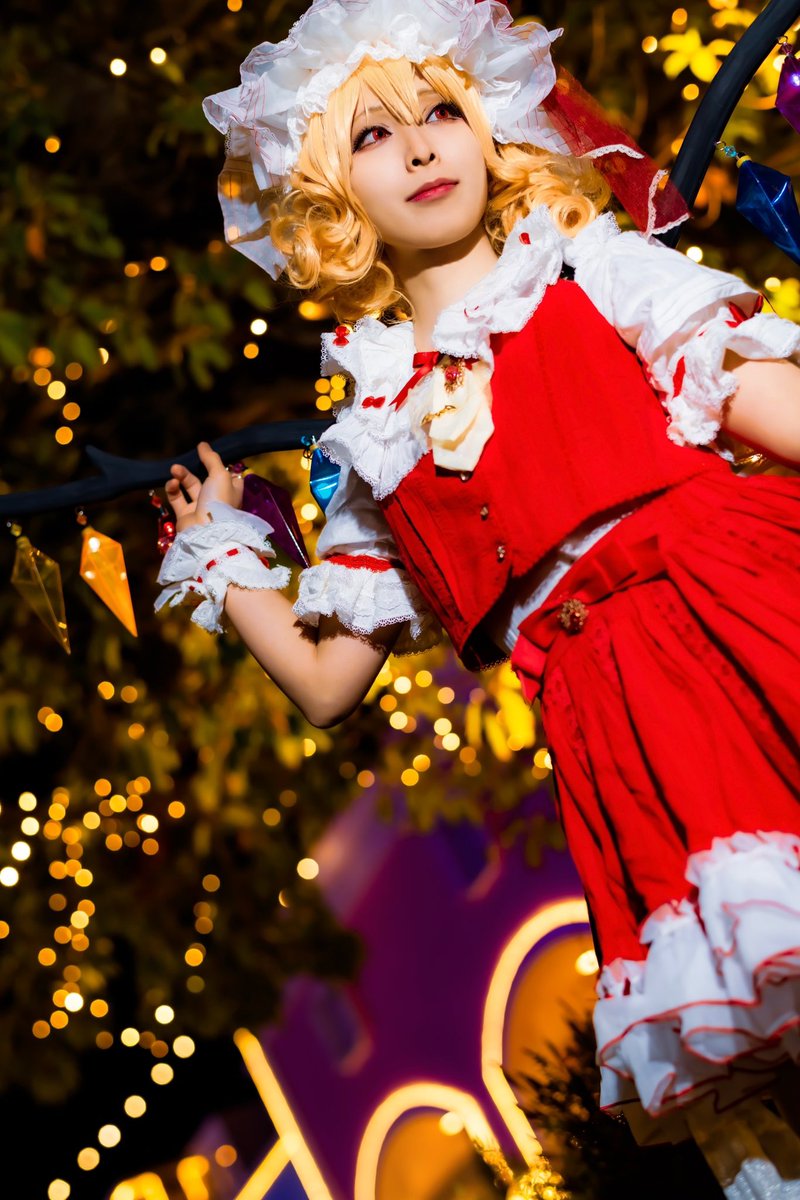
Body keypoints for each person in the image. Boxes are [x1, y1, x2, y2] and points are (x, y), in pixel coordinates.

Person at [156, 1, 800, 1193]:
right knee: (767, 1034)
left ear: (488, 125)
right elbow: (325, 684)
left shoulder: (595, 270)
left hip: (744, 620)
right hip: (621, 729)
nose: (418, 147)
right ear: (329, 193)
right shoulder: (375, 431)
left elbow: (777, 414)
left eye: (441, 112)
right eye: (371, 135)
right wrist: (222, 554)